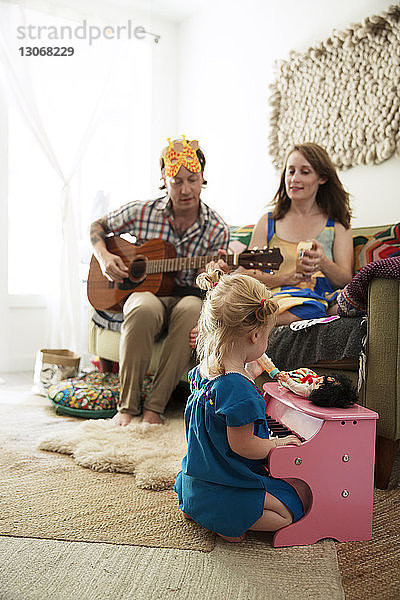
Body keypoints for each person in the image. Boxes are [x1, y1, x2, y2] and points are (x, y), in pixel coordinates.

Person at [89, 136, 230, 425]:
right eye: (176, 181)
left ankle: (155, 408)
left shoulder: (217, 228)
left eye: (192, 179)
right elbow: (97, 226)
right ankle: (127, 408)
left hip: (189, 295)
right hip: (147, 294)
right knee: (142, 307)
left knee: (191, 309)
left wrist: (217, 272)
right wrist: (104, 257)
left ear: (203, 177)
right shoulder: (142, 211)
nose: (185, 189)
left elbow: (215, 290)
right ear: (164, 180)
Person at [174, 269, 304, 542]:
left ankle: (197, 505)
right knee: (291, 509)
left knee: (278, 499)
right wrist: (280, 445)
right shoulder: (240, 391)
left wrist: (250, 374)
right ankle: (225, 518)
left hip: (198, 476)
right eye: (267, 336)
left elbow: (221, 406)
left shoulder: (202, 371)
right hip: (228, 479)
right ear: (255, 337)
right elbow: (245, 447)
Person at [216, 143, 354, 325]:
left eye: (304, 172)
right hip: (274, 300)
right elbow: (247, 273)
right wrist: (284, 278)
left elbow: (346, 279)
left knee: (331, 305)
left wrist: (323, 262)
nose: (294, 179)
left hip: (317, 298)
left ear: (322, 178)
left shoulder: (337, 223)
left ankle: (260, 325)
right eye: (291, 171)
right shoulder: (268, 222)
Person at [250, 354, 358, 408]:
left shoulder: (306, 390)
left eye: (319, 383)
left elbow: (295, 387)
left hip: (294, 380)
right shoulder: (316, 384)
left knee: (282, 375)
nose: (319, 378)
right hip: (302, 377)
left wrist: (287, 380)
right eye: (324, 377)